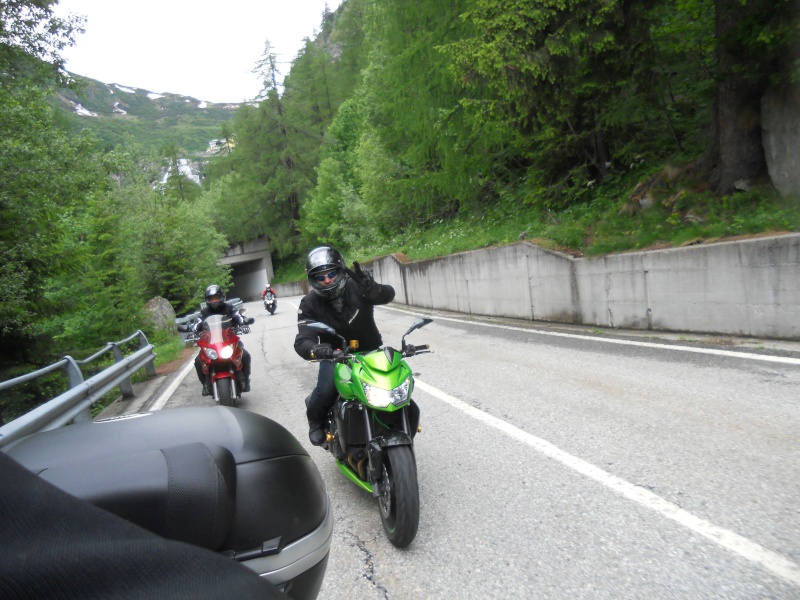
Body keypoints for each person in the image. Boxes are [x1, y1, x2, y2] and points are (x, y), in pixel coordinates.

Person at [294, 246, 395, 445]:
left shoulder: (359, 287)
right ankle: (316, 421)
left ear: (340, 271)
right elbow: (303, 338)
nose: (327, 280)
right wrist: (315, 349)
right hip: (335, 356)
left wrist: (373, 288)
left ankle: (398, 421)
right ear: (313, 280)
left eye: (331, 273)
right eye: (320, 277)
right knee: (325, 390)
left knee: (394, 384)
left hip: (371, 352)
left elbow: (387, 295)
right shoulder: (309, 303)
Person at [192, 284, 252, 394]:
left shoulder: (229, 308)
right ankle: (206, 384)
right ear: (207, 300)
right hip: (211, 343)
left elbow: (238, 316)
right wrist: (192, 330)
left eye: (216, 298)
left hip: (229, 340)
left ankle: (246, 380)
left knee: (245, 355)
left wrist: (243, 323)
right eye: (211, 299)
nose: (214, 301)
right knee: (198, 361)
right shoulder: (205, 312)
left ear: (221, 297)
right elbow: (198, 323)